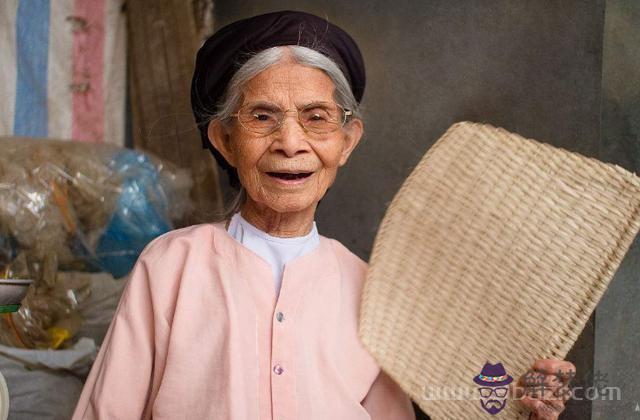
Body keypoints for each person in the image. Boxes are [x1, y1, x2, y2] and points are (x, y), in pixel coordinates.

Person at [71, 10, 574, 420]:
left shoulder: (370, 292)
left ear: (347, 141)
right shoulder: (170, 266)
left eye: (317, 118)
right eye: (262, 117)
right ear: (224, 139)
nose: (291, 144)